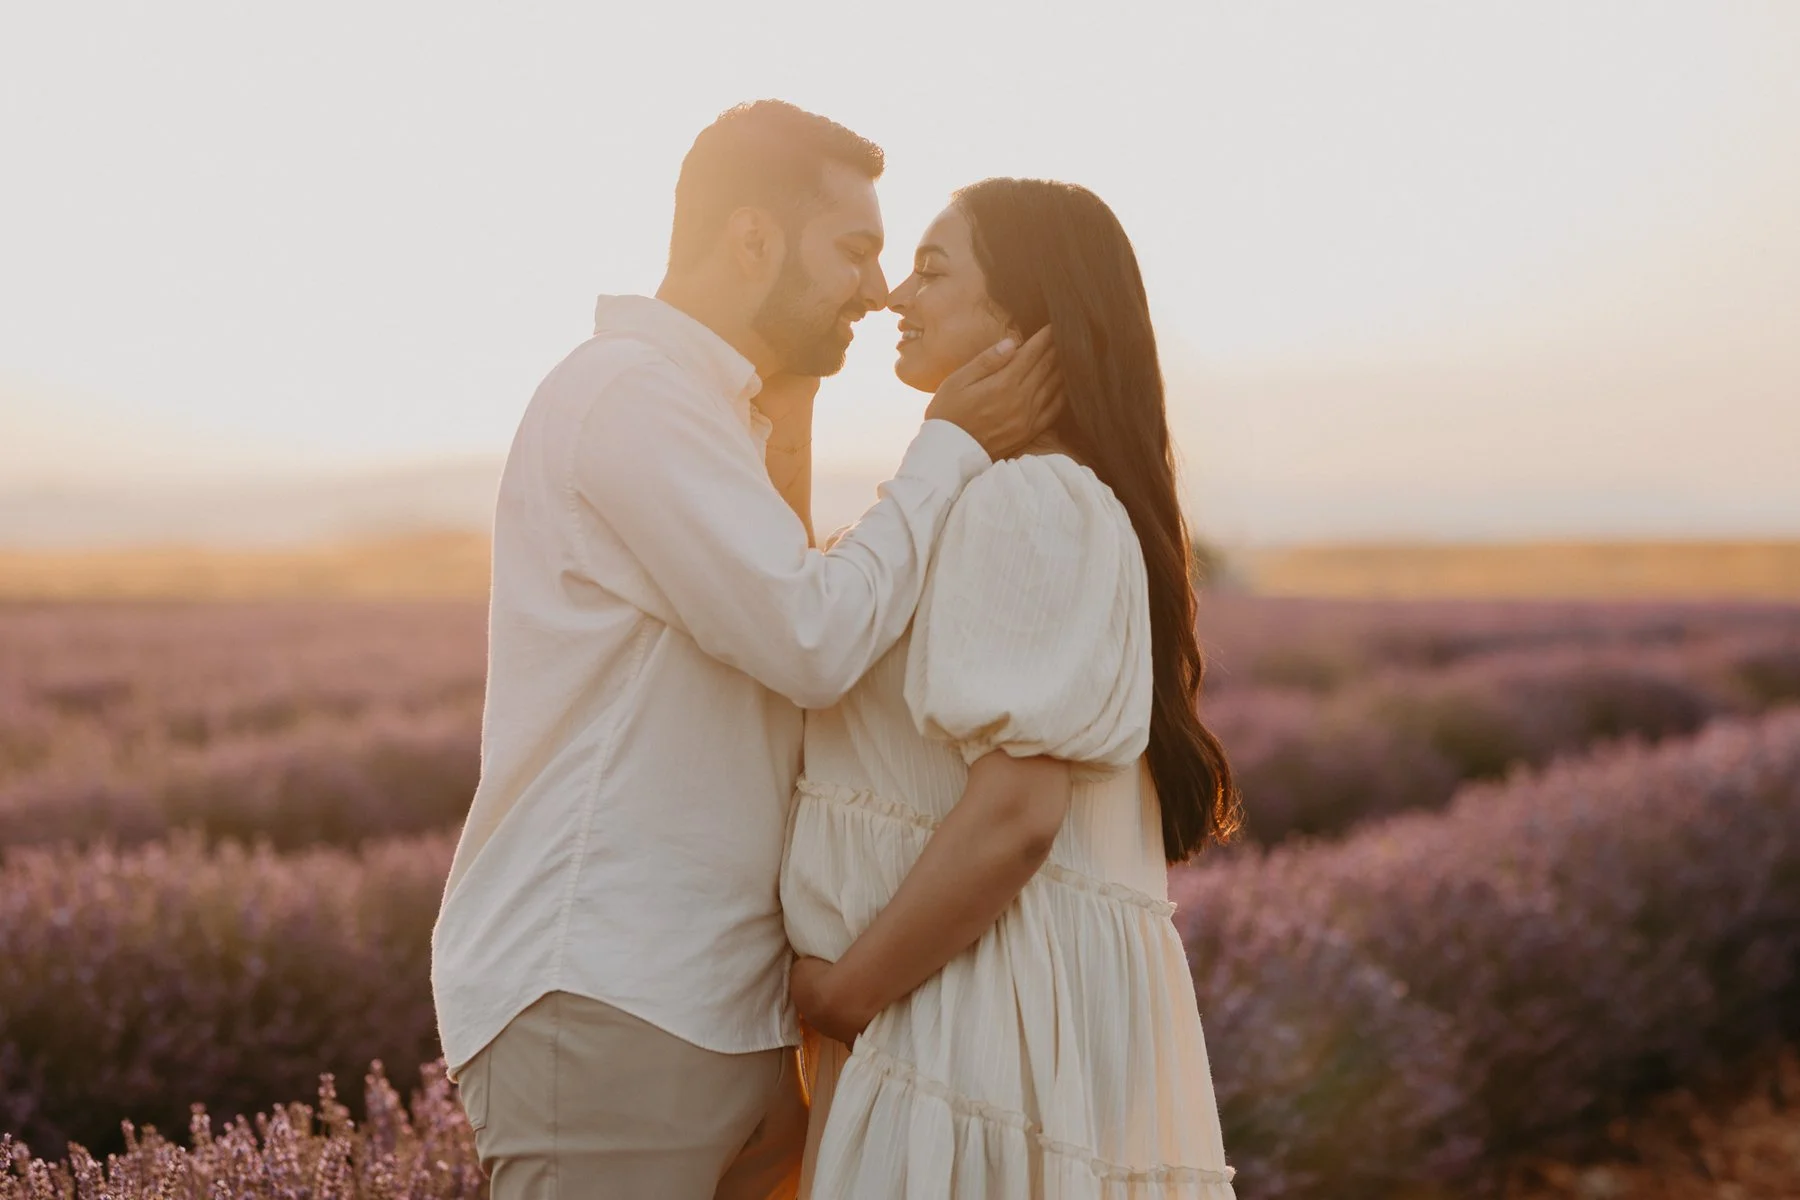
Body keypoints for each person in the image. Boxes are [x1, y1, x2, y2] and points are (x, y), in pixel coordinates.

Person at [430, 103, 1059, 1200]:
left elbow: (802, 641)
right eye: (855, 251)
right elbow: (812, 636)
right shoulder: (630, 392)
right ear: (752, 240)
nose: (876, 290)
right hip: (610, 997)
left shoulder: (708, 411)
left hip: (718, 1003)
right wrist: (949, 444)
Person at [780, 178, 1244, 1198]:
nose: (898, 295)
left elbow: (1017, 816)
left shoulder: (1028, 501)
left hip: (961, 1022)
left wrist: (846, 995)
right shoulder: (1014, 498)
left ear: (1031, 313)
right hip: (951, 1010)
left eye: (936, 269)